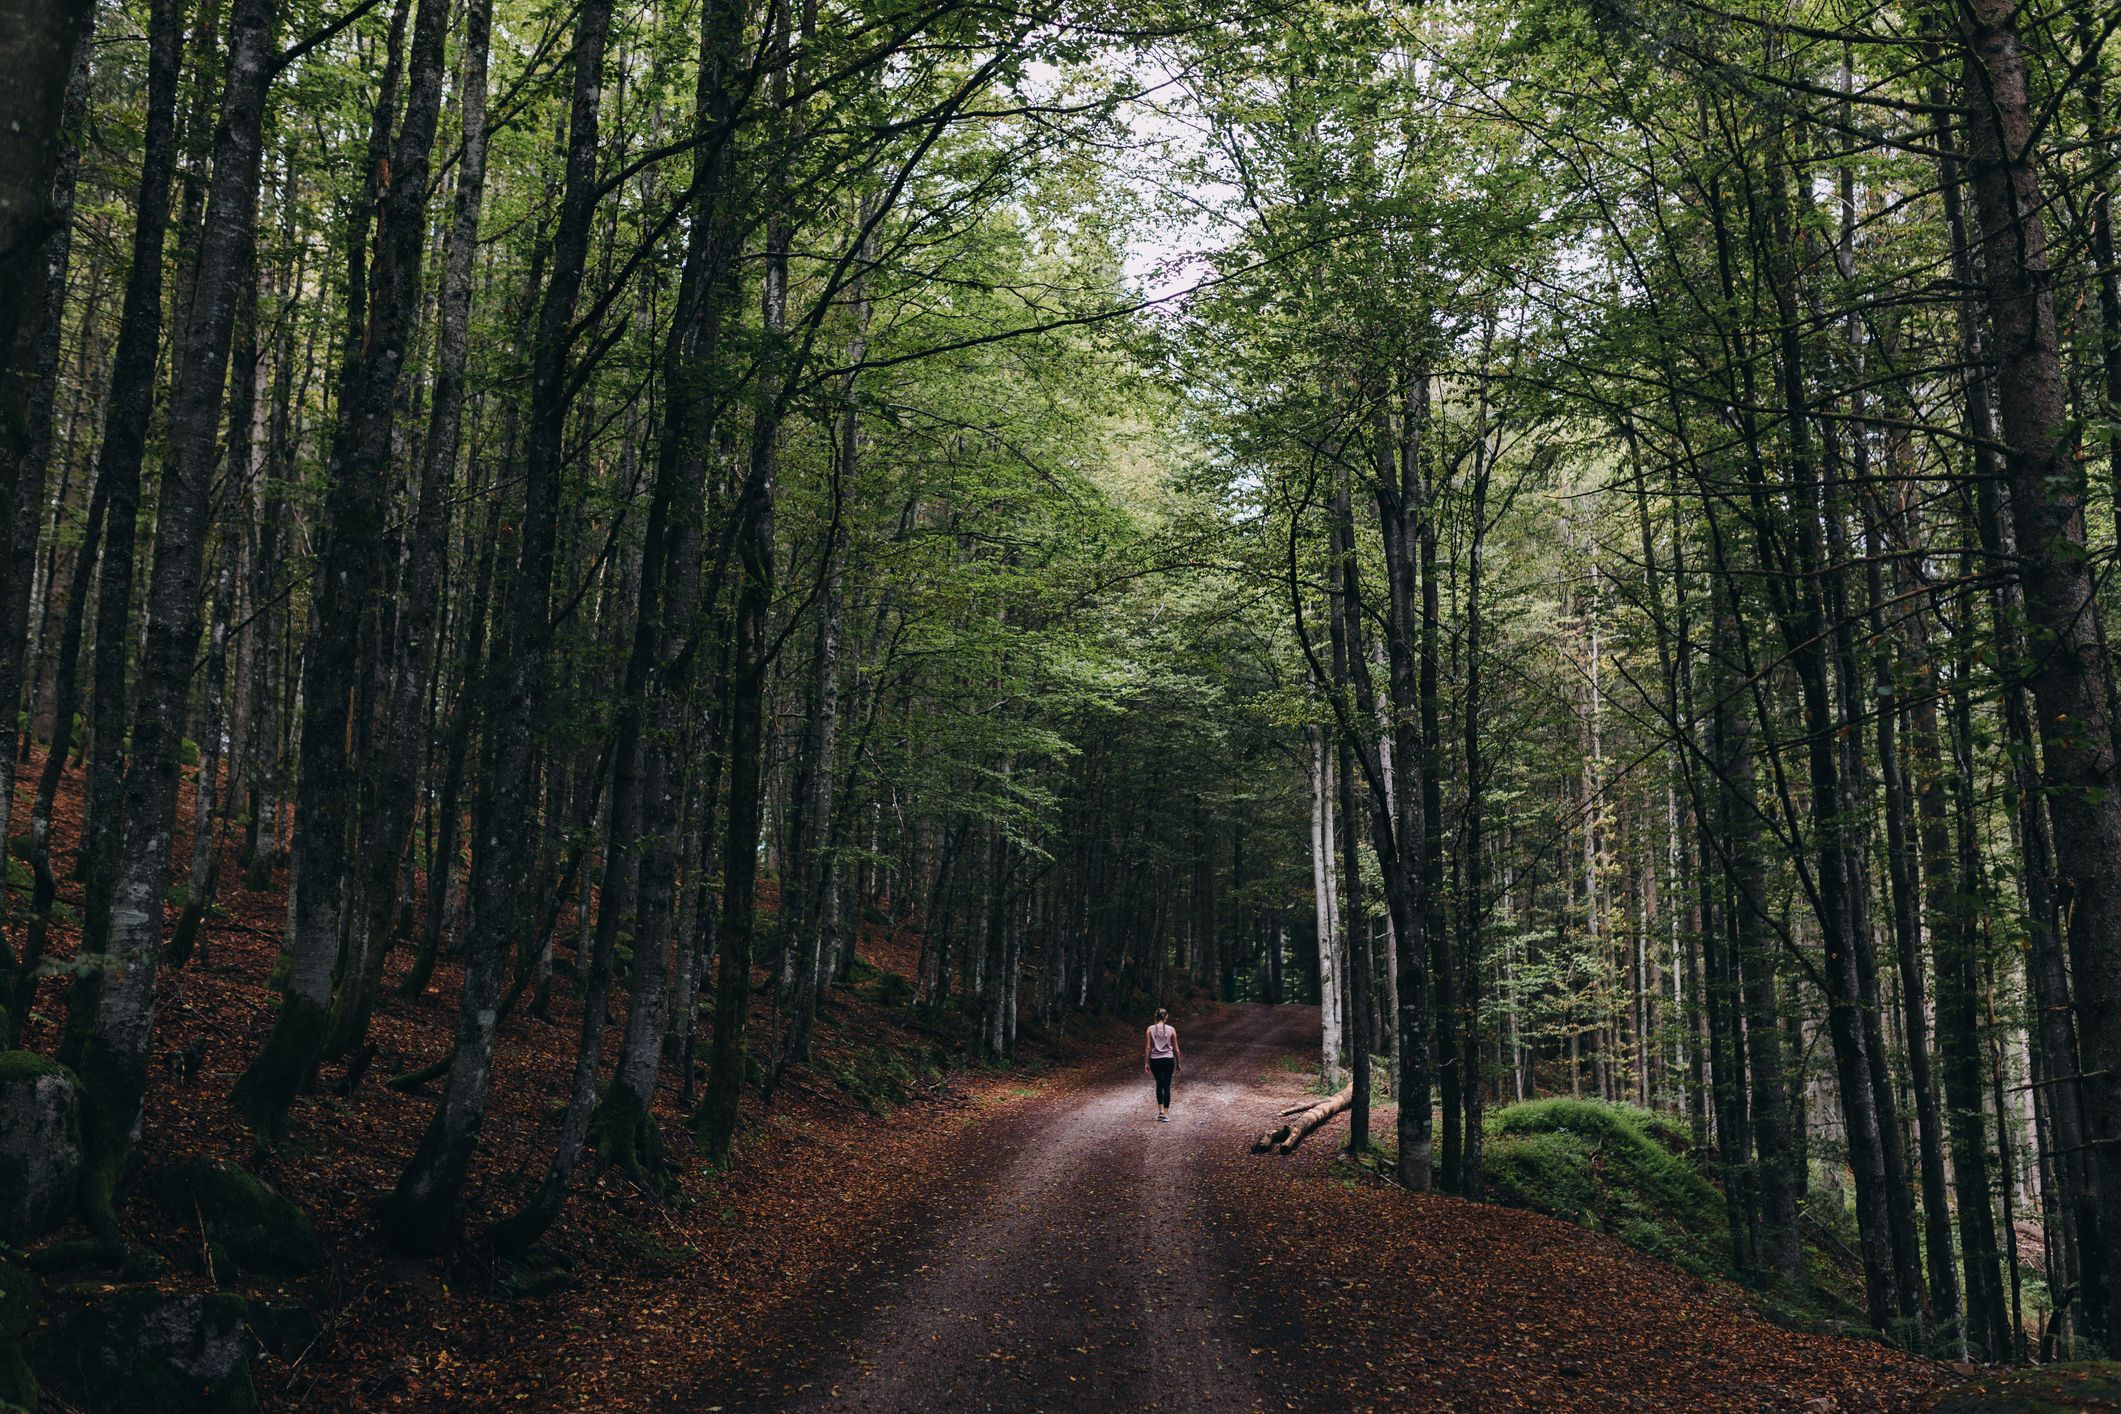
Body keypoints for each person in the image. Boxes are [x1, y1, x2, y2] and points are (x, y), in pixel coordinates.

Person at [1143, 1008, 1181, 1122]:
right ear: (1165, 1017)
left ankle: (1160, 1111)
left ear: (1156, 1016)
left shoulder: (1150, 1029)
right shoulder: (1171, 1029)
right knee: (1167, 1085)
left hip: (1155, 1060)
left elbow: (1148, 1047)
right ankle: (1166, 1113)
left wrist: (1146, 1062)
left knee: (1159, 1084)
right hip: (1168, 1059)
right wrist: (1178, 1063)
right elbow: (1176, 1048)